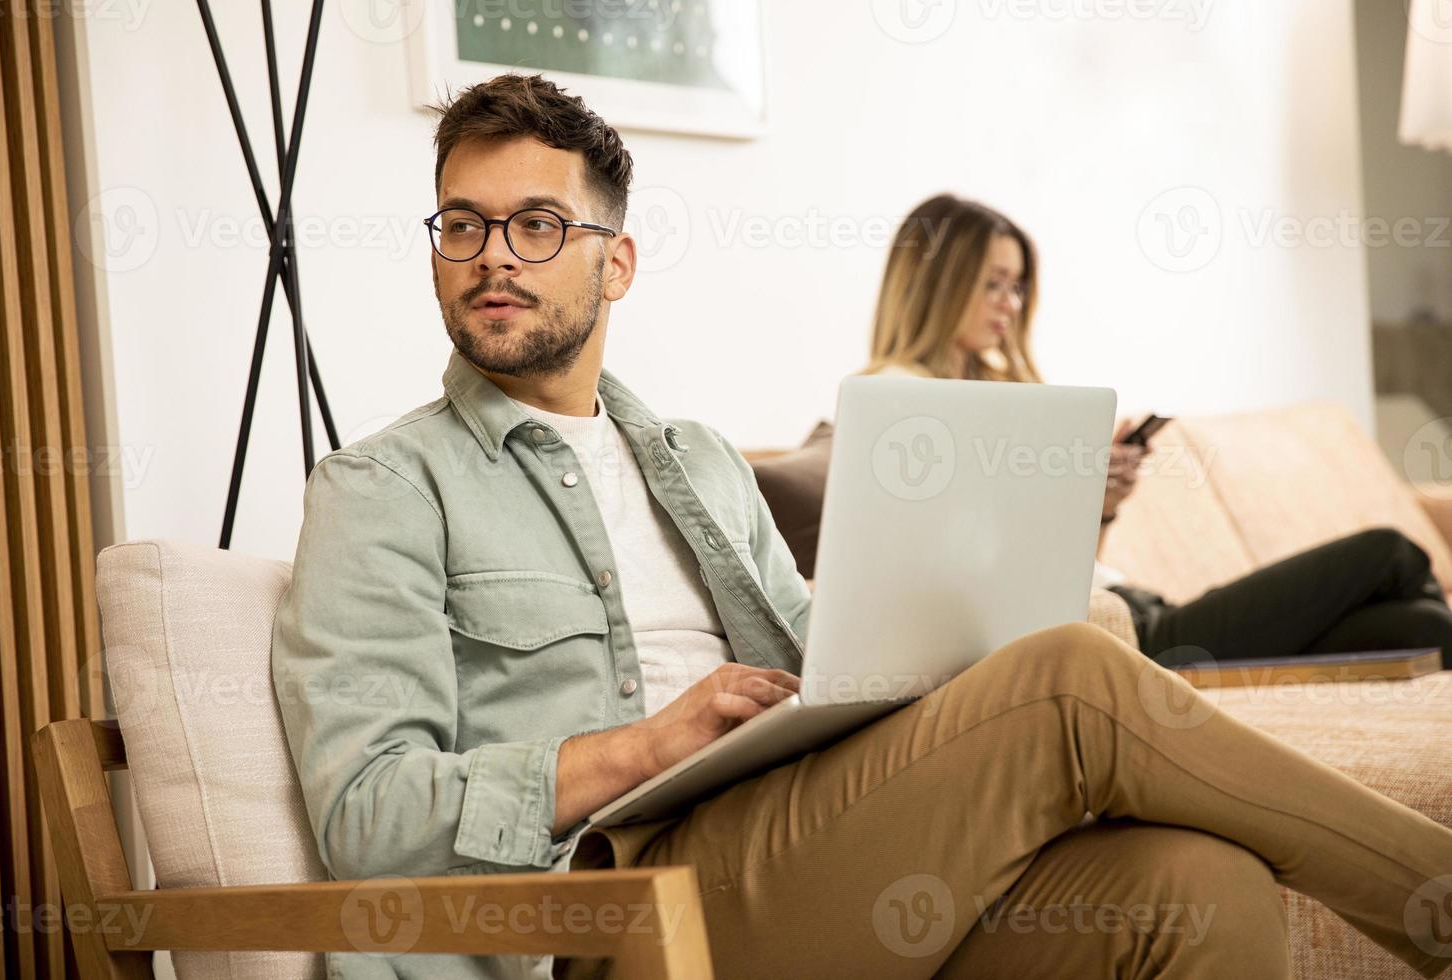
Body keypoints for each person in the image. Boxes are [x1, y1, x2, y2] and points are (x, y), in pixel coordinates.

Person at [270, 74, 1452, 980]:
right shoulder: (383, 487)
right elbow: (367, 813)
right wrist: (642, 745)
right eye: (461, 226)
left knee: (1197, 885)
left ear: (615, 262)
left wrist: (923, 659)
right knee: (1074, 677)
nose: (491, 259)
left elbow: (824, 666)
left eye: (535, 225)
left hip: (794, 854)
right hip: (610, 916)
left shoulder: (696, 463)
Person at [863, 193, 1452, 669]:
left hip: (1134, 606)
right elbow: (981, 573)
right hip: (1137, 639)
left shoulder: (998, 390)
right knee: (1389, 551)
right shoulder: (900, 401)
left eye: (1017, 286)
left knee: (1426, 628)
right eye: (992, 283)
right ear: (937, 283)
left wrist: (1102, 505)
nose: (1010, 304)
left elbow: (1058, 561)